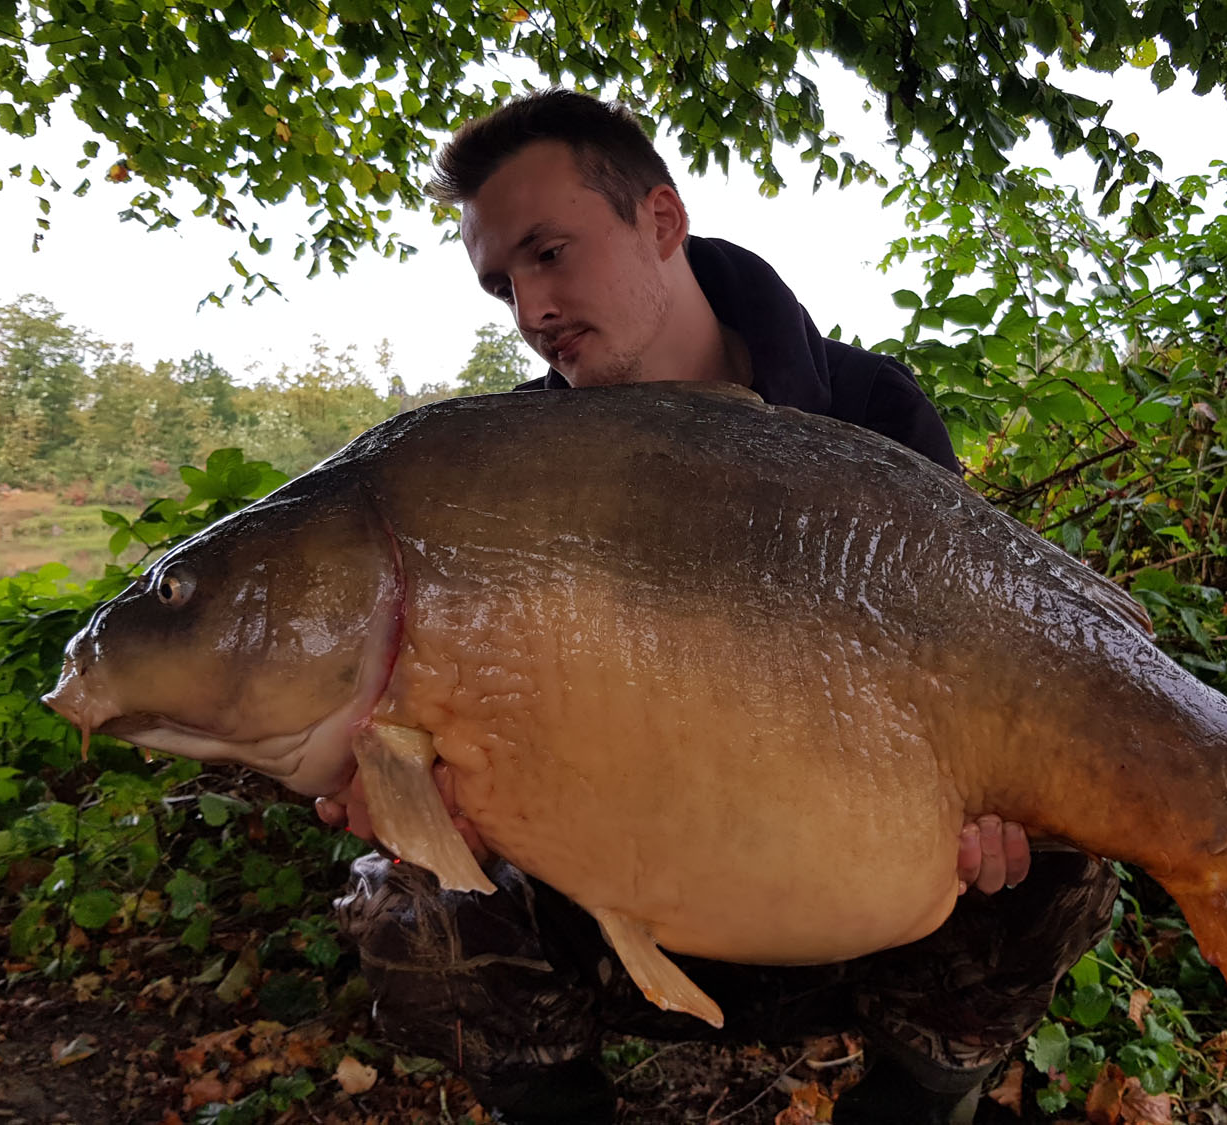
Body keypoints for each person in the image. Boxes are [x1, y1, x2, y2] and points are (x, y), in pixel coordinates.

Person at [318, 90, 1118, 1125]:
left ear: (660, 219)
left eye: (549, 253)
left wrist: (993, 801)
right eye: (502, 283)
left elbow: (970, 676)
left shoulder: (872, 411)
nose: (531, 310)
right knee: (405, 899)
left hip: (854, 908)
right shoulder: (493, 479)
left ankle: (913, 1105)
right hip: (611, 910)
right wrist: (420, 802)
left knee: (1065, 856)